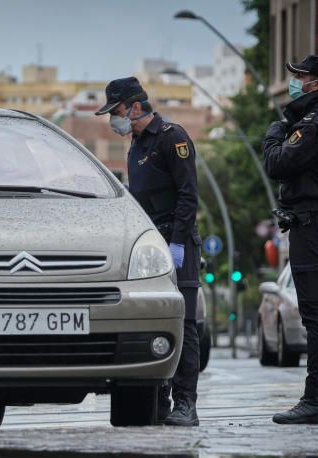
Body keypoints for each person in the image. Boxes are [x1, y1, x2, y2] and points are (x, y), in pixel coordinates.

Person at [96, 77, 201, 427]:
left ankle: (187, 403)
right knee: (156, 321)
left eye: (118, 111)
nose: (114, 119)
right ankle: (161, 399)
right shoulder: (136, 144)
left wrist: (178, 242)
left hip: (176, 242)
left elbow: (189, 195)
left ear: (136, 107)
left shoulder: (172, 137)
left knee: (184, 323)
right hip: (151, 248)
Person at [263, 55, 318, 425]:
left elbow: (276, 164)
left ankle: (317, 397)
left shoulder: (314, 126)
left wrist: (273, 134)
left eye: (300, 76)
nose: (294, 82)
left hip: (313, 225)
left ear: (317, 84)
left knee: (316, 316)